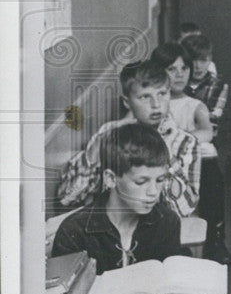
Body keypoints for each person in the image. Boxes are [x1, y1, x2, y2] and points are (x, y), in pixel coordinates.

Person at [50, 122, 187, 294]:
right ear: (111, 178)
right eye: (141, 182)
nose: (153, 192)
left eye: (160, 180)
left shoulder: (167, 222)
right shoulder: (74, 231)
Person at [58, 61, 201, 219]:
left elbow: (184, 209)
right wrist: (92, 156)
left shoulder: (185, 142)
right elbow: (67, 198)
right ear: (127, 102)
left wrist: (167, 155)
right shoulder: (109, 133)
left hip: (158, 231)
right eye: (145, 96)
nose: (156, 105)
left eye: (162, 93)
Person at [151, 42, 231, 265]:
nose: (180, 75)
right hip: (162, 159)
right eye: (172, 69)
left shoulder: (195, 105)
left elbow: (207, 132)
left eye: (184, 69)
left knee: (211, 172)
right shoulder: (154, 102)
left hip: (188, 157)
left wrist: (180, 136)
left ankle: (216, 239)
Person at [182, 34, 229, 131]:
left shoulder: (218, 85)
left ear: (210, 59)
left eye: (203, 60)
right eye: (192, 61)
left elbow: (213, 118)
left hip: (205, 137)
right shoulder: (179, 83)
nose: (198, 66)